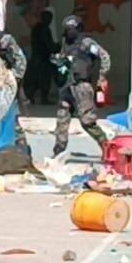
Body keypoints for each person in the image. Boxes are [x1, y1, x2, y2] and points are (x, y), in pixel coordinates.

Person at [52, 15, 111, 157]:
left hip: (82, 87)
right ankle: (58, 152)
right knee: (62, 118)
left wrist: (102, 77)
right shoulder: (65, 42)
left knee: (87, 121)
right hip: (67, 86)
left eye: (71, 29)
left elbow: (104, 56)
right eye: (66, 30)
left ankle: (106, 147)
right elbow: (63, 59)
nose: (68, 33)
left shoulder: (86, 43)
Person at [0, 10, 31, 150]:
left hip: (6, 83)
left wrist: (13, 78)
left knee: (10, 116)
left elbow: (20, 59)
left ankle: (22, 148)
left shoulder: (3, 38)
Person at [25, 9, 57, 106]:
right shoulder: (44, 29)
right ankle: (42, 98)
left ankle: (32, 98)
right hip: (42, 58)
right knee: (43, 79)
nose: (49, 20)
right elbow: (48, 44)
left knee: (36, 79)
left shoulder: (37, 28)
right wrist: (57, 47)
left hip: (37, 56)